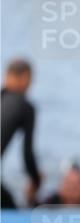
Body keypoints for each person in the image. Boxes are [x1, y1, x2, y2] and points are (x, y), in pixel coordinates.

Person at [1, 58, 41, 209]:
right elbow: (27, 155)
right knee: (12, 214)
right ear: (25, 78)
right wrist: (36, 182)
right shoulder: (25, 107)